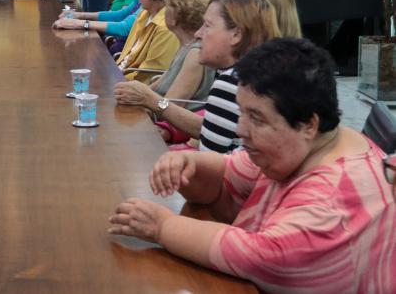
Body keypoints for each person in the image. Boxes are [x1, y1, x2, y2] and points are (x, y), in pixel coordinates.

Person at [108, 38, 396, 294]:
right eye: (242, 113)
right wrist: (187, 166)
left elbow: (264, 255)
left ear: (308, 124)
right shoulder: (312, 145)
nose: (241, 129)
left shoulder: (331, 204)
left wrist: (162, 226)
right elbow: (228, 174)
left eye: (256, 118)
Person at [114, 0, 281, 153]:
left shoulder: (231, 82)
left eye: (207, 26)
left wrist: (151, 101)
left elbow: (211, 165)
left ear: (236, 35)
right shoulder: (259, 75)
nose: (198, 33)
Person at [114, 0, 216, 140]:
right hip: (157, 119)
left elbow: (171, 105)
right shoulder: (186, 46)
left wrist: (143, 99)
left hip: (167, 130)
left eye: (166, 7)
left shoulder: (195, 54)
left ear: (175, 17)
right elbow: (158, 85)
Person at [114, 0, 181, 82]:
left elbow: (149, 75)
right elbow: (127, 58)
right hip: (120, 77)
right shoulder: (144, 14)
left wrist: (112, 80)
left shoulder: (166, 27)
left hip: (131, 87)